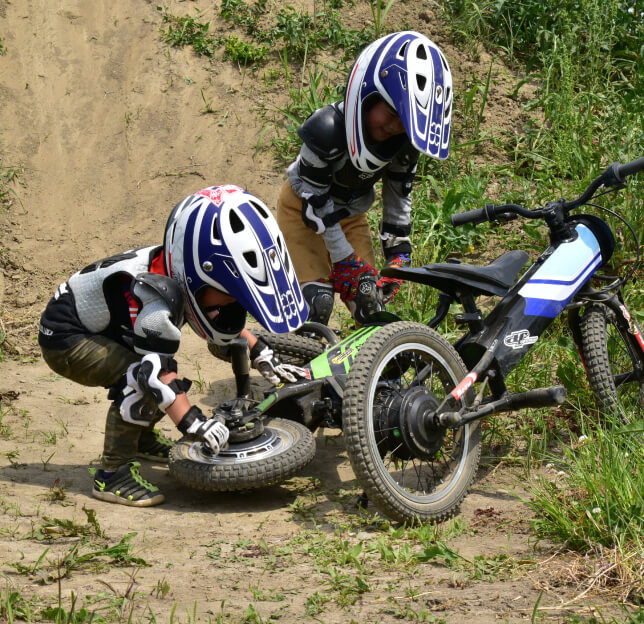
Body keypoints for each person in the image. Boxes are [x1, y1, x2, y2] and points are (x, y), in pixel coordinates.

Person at [38, 185, 309, 507]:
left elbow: (222, 333)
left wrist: (262, 353)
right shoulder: (156, 299)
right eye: (229, 292)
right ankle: (112, 475)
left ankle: (138, 439)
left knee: (155, 373)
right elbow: (157, 377)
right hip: (68, 338)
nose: (234, 301)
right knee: (141, 380)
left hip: (105, 326)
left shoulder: (180, 267)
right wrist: (194, 423)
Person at [276, 31, 453, 324]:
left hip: (349, 216)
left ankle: (368, 368)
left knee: (370, 302)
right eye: (393, 112)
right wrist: (343, 258)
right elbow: (314, 204)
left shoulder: (402, 144)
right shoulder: (325, 130)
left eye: (405, 120)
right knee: (315, 305)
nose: (396, 126)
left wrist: (399, 255)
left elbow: (398, 198)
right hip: (302, 213)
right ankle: (301, 365)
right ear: (369, 95)